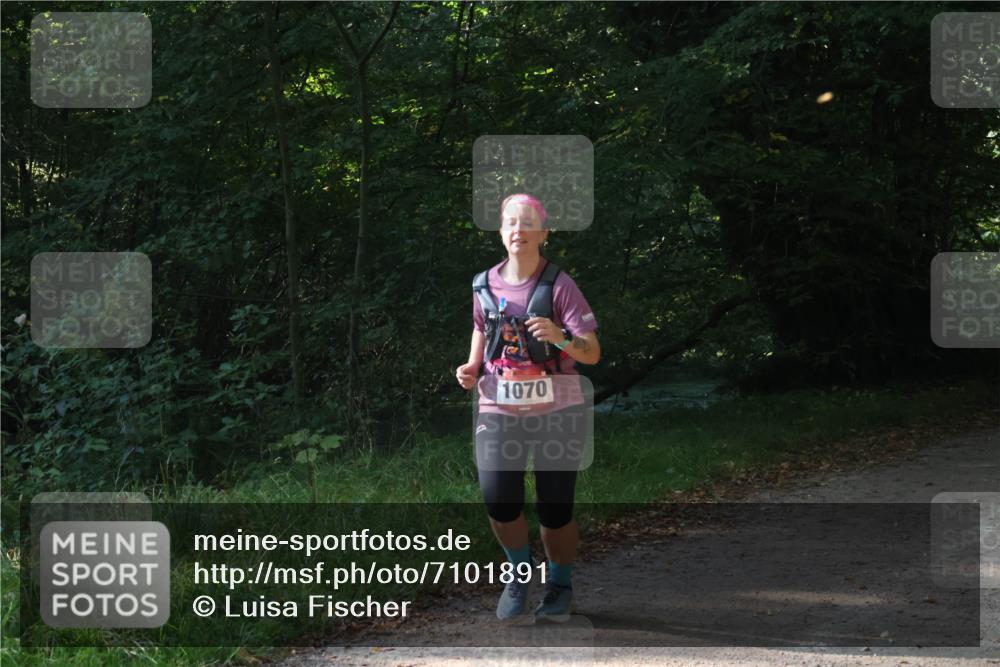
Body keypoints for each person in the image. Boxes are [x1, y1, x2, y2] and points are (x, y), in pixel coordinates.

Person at [455, 193, 601, 623]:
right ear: (501, 232)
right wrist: (471, 367)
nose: (518, 230)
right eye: (509, 223)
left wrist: (560, 337)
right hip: (499, 406)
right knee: (499, 501)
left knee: (555, 510)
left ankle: (559, 584)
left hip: (559, 409)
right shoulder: (482, 284)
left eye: (527, 223)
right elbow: (481, 333)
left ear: (543, 233)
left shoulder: (560, 285)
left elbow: (591, 353)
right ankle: (519, 573)